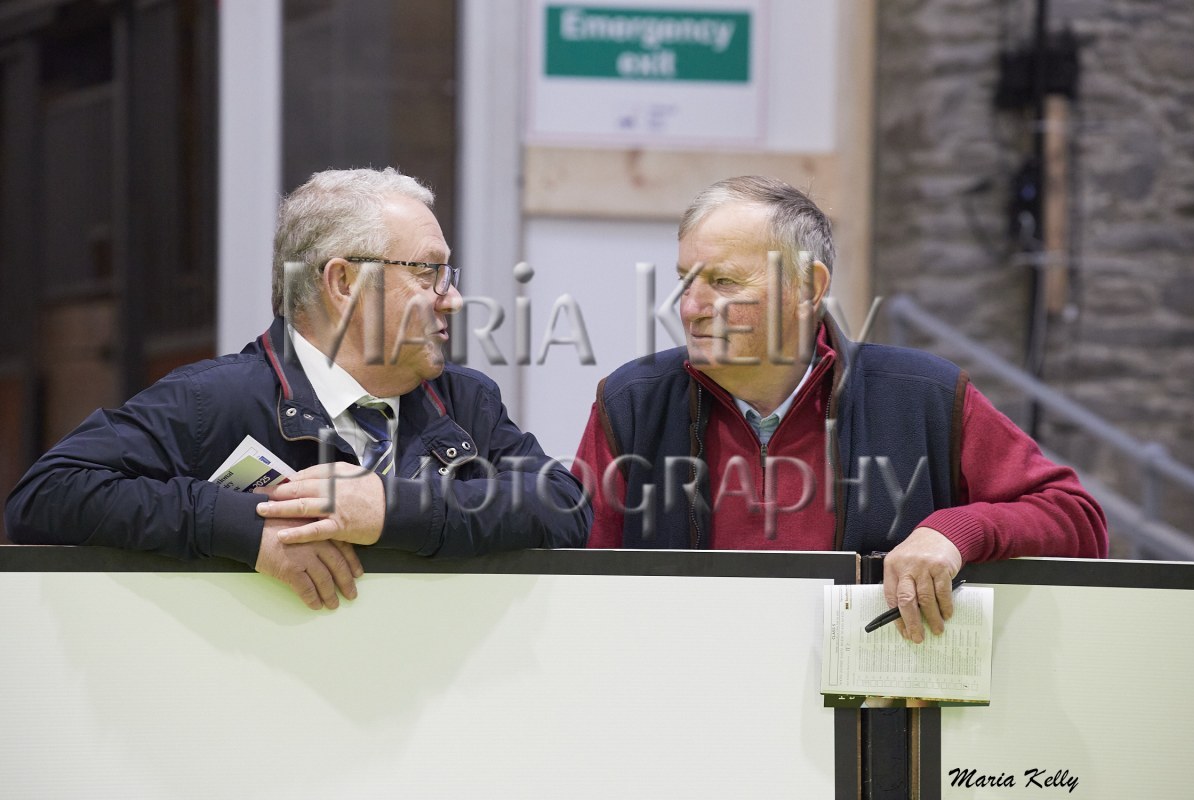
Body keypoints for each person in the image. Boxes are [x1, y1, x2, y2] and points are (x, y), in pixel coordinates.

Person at [6, 167, 590, 609]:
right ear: (343, 282)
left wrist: (391, 509)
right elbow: (47, 494)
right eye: (428, 272)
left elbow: (564, 505)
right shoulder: (216, 400)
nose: (453, 299)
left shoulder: (466, 400)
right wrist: (242, 530)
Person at [573, 176, 1106, 642]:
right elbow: (573, 578)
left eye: (724, 282)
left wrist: (956, 532)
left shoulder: (924, 395)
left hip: (867, 721)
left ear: (809, 288)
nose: (690, 307)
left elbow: (1077, 521)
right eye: (685, 281)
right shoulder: (631, 403)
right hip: (690, 705)